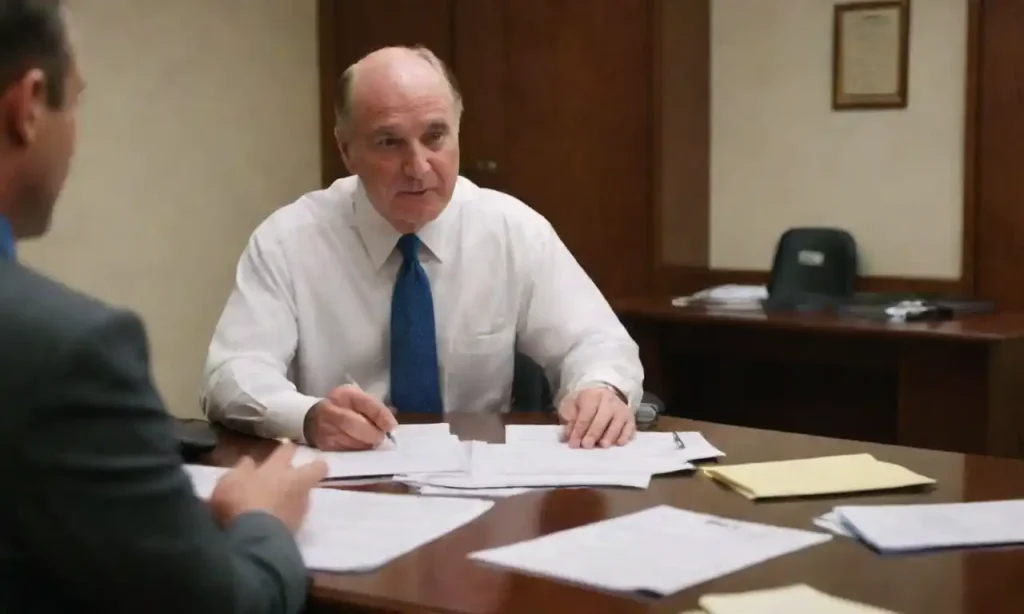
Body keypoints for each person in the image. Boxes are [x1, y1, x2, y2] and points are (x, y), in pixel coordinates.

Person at [0, 2, 327, 612]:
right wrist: (263, 521)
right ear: (28, 106)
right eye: (76, 102)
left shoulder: (512, 229)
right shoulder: (70, 352)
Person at [202, 45, 644, 452]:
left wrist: (601, 389)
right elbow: (232, 375)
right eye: (389, 142)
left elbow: (596, 342)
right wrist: (308, 416)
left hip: (482, 488)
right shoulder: (288, 241)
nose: (418, 168)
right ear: (346, 150)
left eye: (435, 137)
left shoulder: (512, 230)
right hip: (343, 487)